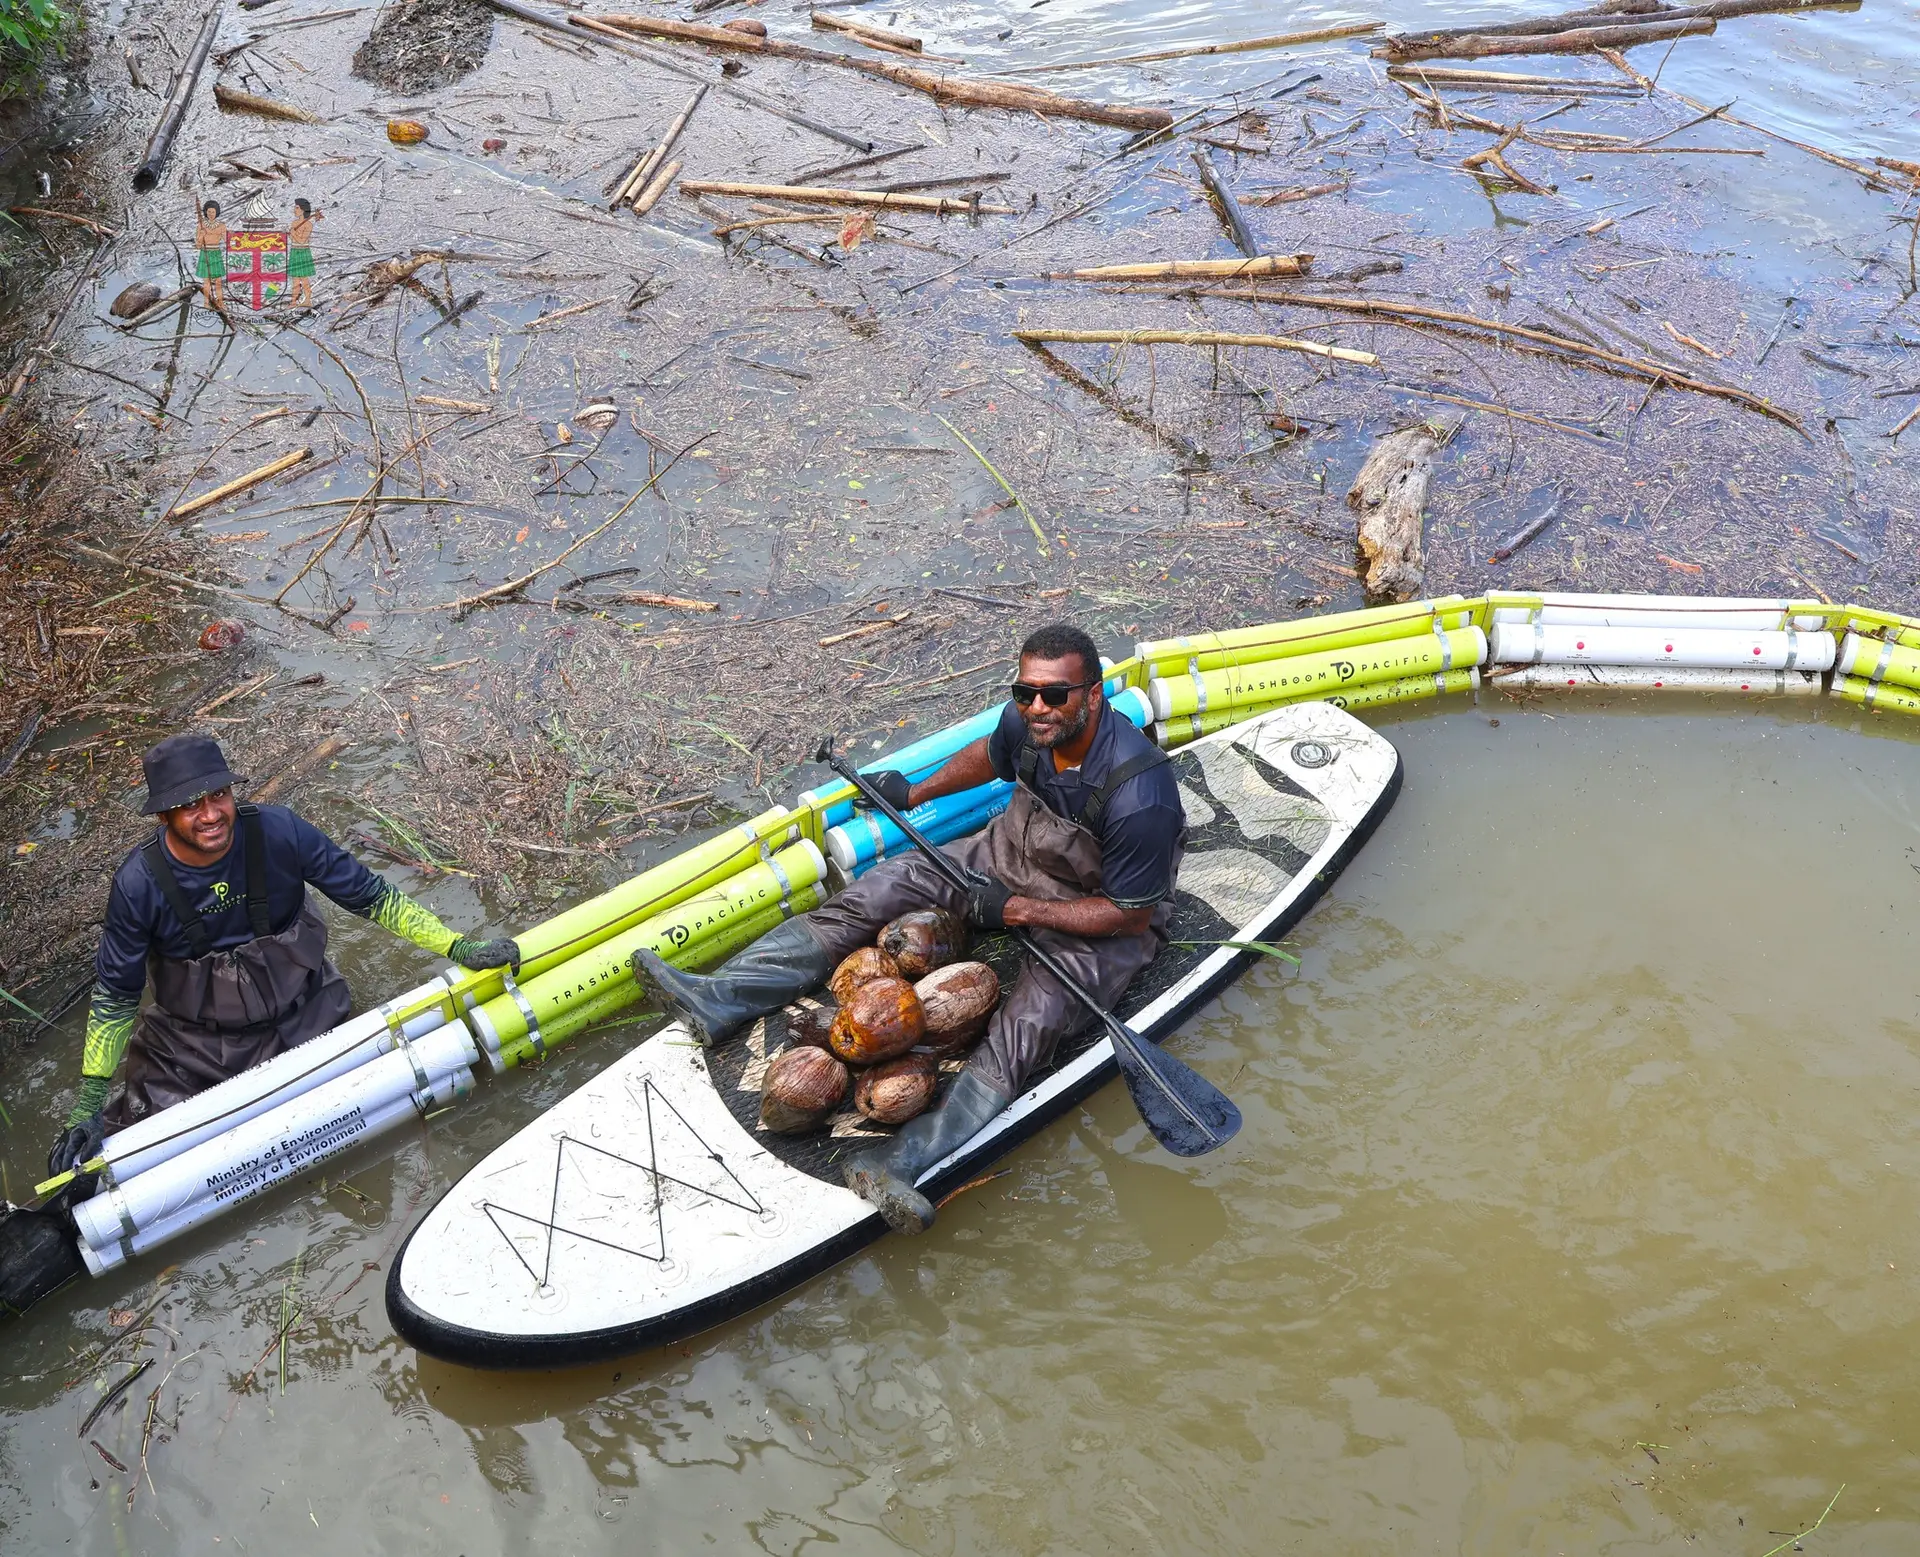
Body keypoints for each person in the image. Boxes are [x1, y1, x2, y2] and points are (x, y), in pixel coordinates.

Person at [636, 623, 1186, 1235]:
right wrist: (917, 790)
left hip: (1096, 919)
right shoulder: (1028, 722)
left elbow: (1129, 913)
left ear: (1094, 693)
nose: (1037, 708)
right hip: (1006, 857)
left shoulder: (1142, 794)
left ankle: (901, 1160)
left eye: (1055, 695)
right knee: (887, 884)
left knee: (1030, 1024)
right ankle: (721, 997)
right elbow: (991, 753)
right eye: (1025, 691)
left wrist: (1017, 911)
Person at [46, 734, 520, 1180]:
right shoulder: (137, 884)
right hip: (195, 1047)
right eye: (189, 805)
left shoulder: (281, 831)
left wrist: (460, 947)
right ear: (163, 817)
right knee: (136, 1144)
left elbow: (373, 898)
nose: (210, 815)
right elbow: (116, 997)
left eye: (218, 796)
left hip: (310, 1014)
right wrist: (88, 1102)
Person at [286, 197, 322, 306]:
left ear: (302, 210)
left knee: (304, 277)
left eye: (297, 208)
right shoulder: (294, 223)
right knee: (295, 278)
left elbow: (302, 240)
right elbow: (293, 239)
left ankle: (307, 300)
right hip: (294, 251)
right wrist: (292, 234)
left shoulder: (308, 225)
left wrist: (292, 234)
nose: (294, 210)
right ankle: (294, 301)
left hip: (303, 252)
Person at [193, 199, 226, 309]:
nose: (211, 214)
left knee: (218, 281)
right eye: (209, 212)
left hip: (216, 253)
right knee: (206, 281)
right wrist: (201, 235)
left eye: (213, 212)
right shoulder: (201, 226)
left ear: (217, 212)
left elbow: (227, 240)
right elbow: (198, 245)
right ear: (205, 212)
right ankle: (207, 303)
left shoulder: (221, 226)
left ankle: (220, 302)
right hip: (205, 253)